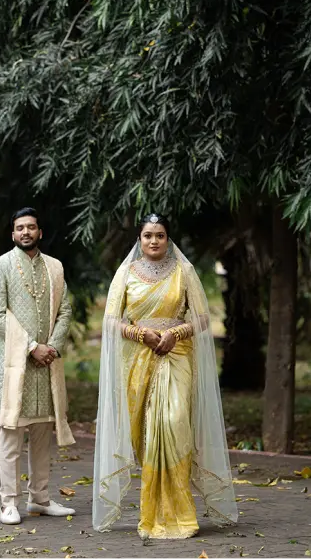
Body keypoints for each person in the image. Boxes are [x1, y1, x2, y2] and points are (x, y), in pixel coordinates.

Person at [92, 213, 237, 540]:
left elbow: (201, 319)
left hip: (177, 357)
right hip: (138, 361)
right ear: (139, 240)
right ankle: (152, 515)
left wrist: (177, 333)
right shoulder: (125, 273)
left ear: (168, 239)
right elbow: (111, 322)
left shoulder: (184, 272)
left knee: (174, 425)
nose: (154, 241)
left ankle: (181, 516)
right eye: (147, 235)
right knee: (146, 437)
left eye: (159, 235)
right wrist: (140, 334)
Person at [0, 207, 76, 525]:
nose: (26, 232)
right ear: (13, 234)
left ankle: (39, 499)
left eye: (31, 227)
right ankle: (8, 502)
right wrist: (32, 347)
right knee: (11, 434)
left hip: (46, 367)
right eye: (20, 227)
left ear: (40, 232)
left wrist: (53, 345)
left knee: (41, 435)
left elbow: (65, 308)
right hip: (14, 367)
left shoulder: (55, 267)